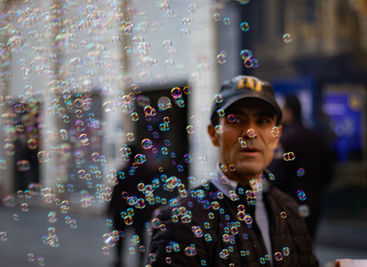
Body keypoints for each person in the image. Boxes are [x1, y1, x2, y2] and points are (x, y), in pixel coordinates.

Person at [147, 75, 318, 266]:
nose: (250, 132)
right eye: (235, 119)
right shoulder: (180, 221)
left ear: (276, 136)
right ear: (213, 133)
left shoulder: (290, 210)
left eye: (262, 121)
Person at [269, 95, 334, 240]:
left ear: (289, 112)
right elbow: (328, 174)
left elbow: (277, 176)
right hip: (314, 203)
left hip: (289, 204)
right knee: (308, 247)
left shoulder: (286, 139)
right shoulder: (317, 138)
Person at [107, 144, 161, 267]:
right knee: (140, 236)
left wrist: (110, 207)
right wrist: (152, 208)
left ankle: (119, 260)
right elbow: (150, 192)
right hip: (139, 210)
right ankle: (141, 261)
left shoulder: (123, 171)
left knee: (120, 236)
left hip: (122, 209)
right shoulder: (145, 171)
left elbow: (116, 191)